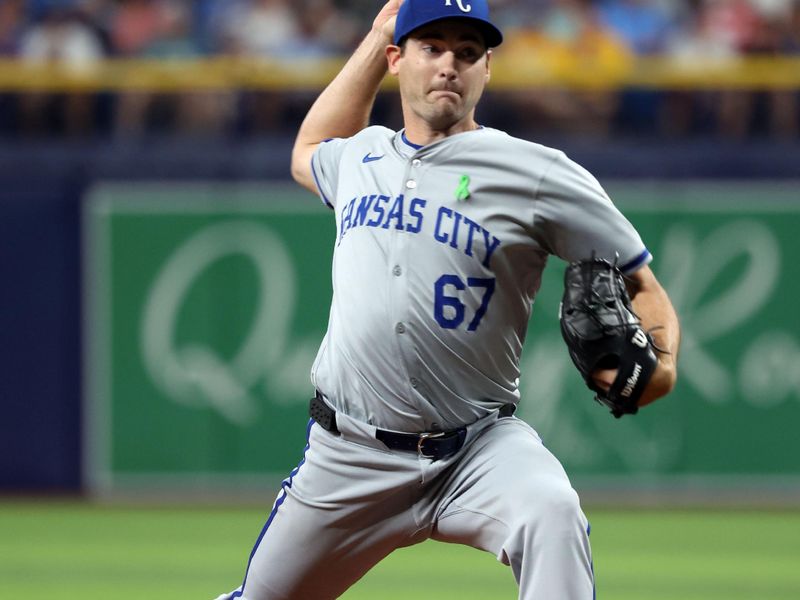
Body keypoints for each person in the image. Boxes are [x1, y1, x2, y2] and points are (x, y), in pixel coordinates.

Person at [215, 0, 680, 598]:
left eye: (467, 52)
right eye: (430, 47)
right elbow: (310, 148)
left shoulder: (536, 172)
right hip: (349, 455)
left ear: (487, 68)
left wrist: (660, 367)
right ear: (397, 60)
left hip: (478, 449)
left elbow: (643, 281)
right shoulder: (360, 156)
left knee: (551, 512)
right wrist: (376, 34)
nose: (448, 65)